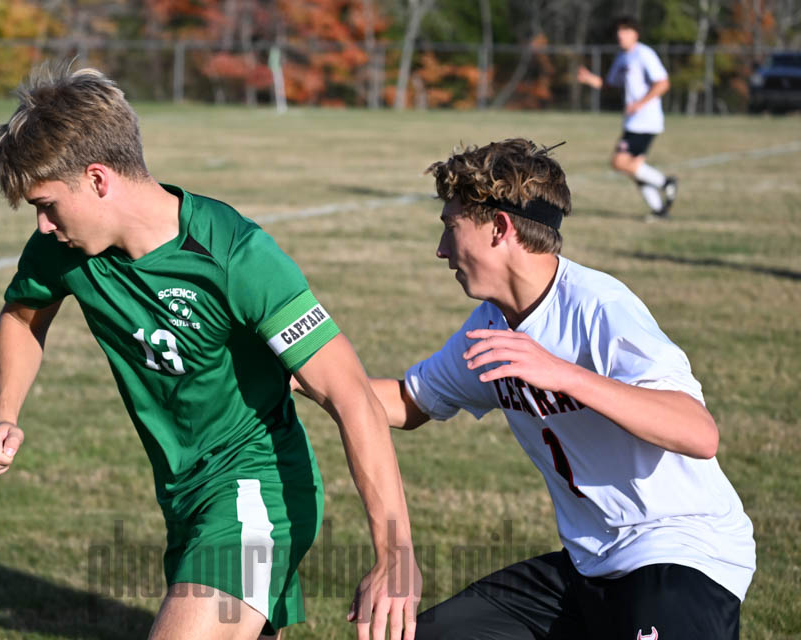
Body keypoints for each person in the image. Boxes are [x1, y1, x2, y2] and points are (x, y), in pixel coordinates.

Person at [0, 64, 420, 640]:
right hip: (184, 498)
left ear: (98, 179)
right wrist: (3, 414)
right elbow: (22, 315)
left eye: (48, 204)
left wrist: (395, 556)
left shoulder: (234, 255)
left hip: (255, 494)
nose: (42, 225)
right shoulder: (63, 249)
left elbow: (351, 396)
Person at [309, 139, 755, 638]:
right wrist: (297, 371)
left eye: (451, 227)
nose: (441, 250)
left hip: (680, 553)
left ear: (500, 228)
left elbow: (698, 433)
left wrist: (562, 374)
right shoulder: (491, 324)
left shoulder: (599, 307)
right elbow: (408, 402)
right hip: (586, 566)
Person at [578, 16, 678, 219]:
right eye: (618, 31)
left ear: (635, 34)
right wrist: (590, 79)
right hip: (633, 121)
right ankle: (659, 210)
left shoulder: (644, 54)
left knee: (619, 162)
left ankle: (666, 183)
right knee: (633, 168)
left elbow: (663, 83)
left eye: (625, 30)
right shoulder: (622, 57)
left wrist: (639, 104)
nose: (620, 35)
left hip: (646, 120)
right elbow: (610, 85)